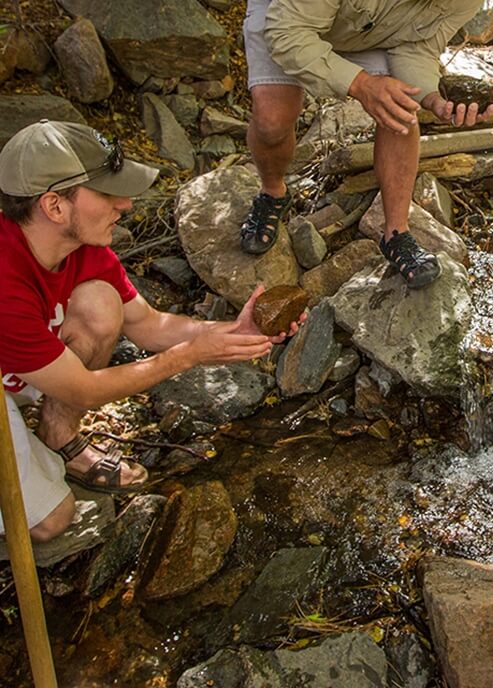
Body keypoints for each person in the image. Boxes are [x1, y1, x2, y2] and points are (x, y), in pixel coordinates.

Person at [0, 121, 299, 543]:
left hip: (22, 370)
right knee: (51, 521)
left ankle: (57, 435)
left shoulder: (84, 249)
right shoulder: (4, 283)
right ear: (54, 206)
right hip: (18, 377)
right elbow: (83, 390)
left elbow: (148, 324)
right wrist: (191, 355)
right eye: (107, 194)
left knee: (101, 304)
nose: (124, 204)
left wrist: (237, 329)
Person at [240, 0, 493, 288]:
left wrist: (433, 99)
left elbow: (416, 47)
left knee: (402, 110)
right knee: (272, 121)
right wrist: (362, 84)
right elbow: (287, 33)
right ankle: (273, 192)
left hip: (378, 27)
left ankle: (395, 233)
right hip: (290, 9)